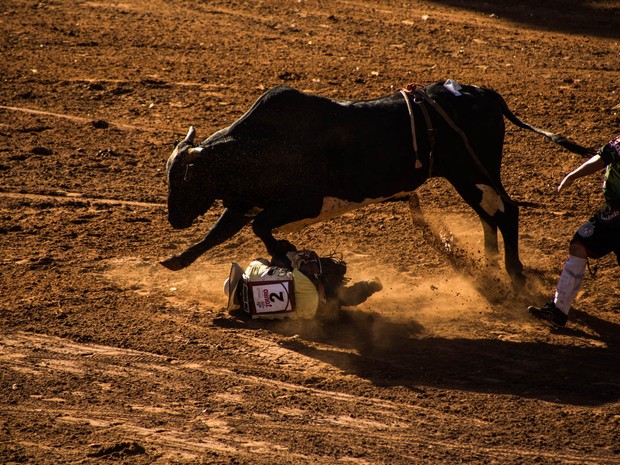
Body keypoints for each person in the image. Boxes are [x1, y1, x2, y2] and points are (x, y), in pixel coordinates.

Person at [528, 134, 620, 327]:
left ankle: (559, 310)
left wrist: (572, 175)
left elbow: (603, 158)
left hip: (616, 214)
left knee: (580, 244)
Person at [224, 250, 383, 320]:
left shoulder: (251, 313)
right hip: (305, 282)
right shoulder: (251, 271)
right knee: (282, 259)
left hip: (310, 311)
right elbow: (262, 260)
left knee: (337, 299)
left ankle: (366, 288)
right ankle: (367, 285)